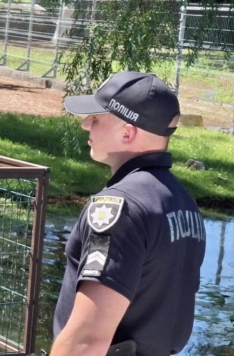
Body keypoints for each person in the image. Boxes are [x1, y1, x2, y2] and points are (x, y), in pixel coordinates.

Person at [52, 72, 206, 356]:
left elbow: (87, 341)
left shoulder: (118, 207)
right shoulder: (185, 204)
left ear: (127, 132)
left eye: (96, 118)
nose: (86, 124)